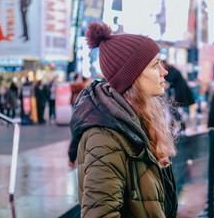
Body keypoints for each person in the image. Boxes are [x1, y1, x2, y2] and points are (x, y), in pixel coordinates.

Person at [70, 21, 178, 217]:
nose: (164, 71)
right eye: (155, 65)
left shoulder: (139, 121)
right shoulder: (105, 137)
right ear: (133, 77)